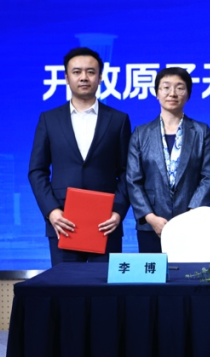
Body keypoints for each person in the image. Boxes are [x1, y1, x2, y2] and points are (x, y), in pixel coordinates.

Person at [28, 46, 132, 265]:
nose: (84, 77)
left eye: (90, 72)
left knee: (104, 286)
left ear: (100, 77)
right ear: (66, 78)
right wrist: (52, 211)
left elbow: (127, 172)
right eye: (77, 72)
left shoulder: (118, 120)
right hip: (63, 221)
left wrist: (118, 211)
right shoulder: (49, 119)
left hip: (105, 222)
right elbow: (37, 170)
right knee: (66, 285)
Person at [126, 66, 210, 253]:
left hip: (191, 224)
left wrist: (192, 216)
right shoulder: (141, 133)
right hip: (151, 225)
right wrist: (150, 217)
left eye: (180, 88)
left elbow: (207, 176)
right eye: (166, 87)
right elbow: (133, 180)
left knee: (189, 271)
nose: (172, 93)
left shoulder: (201, 132)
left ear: (188, 94)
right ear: (157, 93)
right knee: (151, 271)